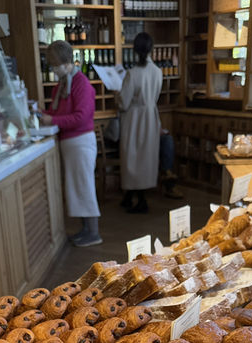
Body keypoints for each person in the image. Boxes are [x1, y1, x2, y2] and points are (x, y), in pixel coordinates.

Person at [41, 40, 102, 247]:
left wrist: (53, 120)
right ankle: (85, 229)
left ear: (66, 62)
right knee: (77, 189)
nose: (53, 68)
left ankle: (93, 233)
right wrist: (44, 114)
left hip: (81, 142)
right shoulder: (64, 83)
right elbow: (59, 112)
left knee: (84, 188)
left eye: (55, 64)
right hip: (71, 143)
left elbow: (82, 117)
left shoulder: (81, 83)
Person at [117, 32, 163, 214]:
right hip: (151, 116)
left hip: (134, 118)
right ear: (151, 49)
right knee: (146, 157)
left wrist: (117, 96)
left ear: (134, 50)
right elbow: (156, 94)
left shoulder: (132, 74)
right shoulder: (157, 72)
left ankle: (140, 200)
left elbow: (124, 102)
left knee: (132, 157)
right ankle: (130, 195)